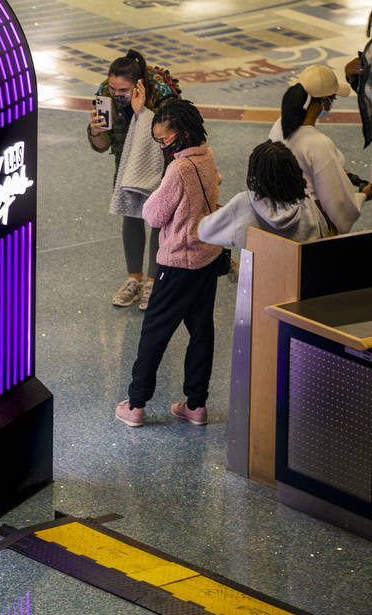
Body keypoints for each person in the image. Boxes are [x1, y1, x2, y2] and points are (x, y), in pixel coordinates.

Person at [115, 99, 222, 428]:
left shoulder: (178, 169)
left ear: (181, 133)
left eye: (164, 140)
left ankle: (135, 405)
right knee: (201, 331)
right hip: (208, 256)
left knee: (154, 334)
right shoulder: (206, 154)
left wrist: (156, 193)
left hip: (177, 262)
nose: (162, 146)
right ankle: (196, 404)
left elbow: (153, 215)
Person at [87, 50, 180, 311]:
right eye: (113, 87)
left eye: (123, 89)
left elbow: (166, 140)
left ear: (139, 85)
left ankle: (152, 281)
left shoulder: (162, 95)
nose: (116, 93)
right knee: (131, 213)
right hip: (126, 160)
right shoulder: (105, 94)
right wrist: (96, 131)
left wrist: (142, 112)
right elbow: (101, 146)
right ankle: (134, 279)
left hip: (160, 159)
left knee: (156, 216)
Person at [268, 64, 372, 234]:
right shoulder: (318, 143)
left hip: (280, 218)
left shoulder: (280, 125)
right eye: (333, 99)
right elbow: (337, 204)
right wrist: (364, 195)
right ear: (325, 100)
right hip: (310, 225)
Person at [197, 141, 327, 249]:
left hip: (259, 275)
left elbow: (204, 231)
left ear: (255, 175)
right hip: (300, 275)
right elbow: (323, 229)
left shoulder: (243, 203)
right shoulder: (305, 200)